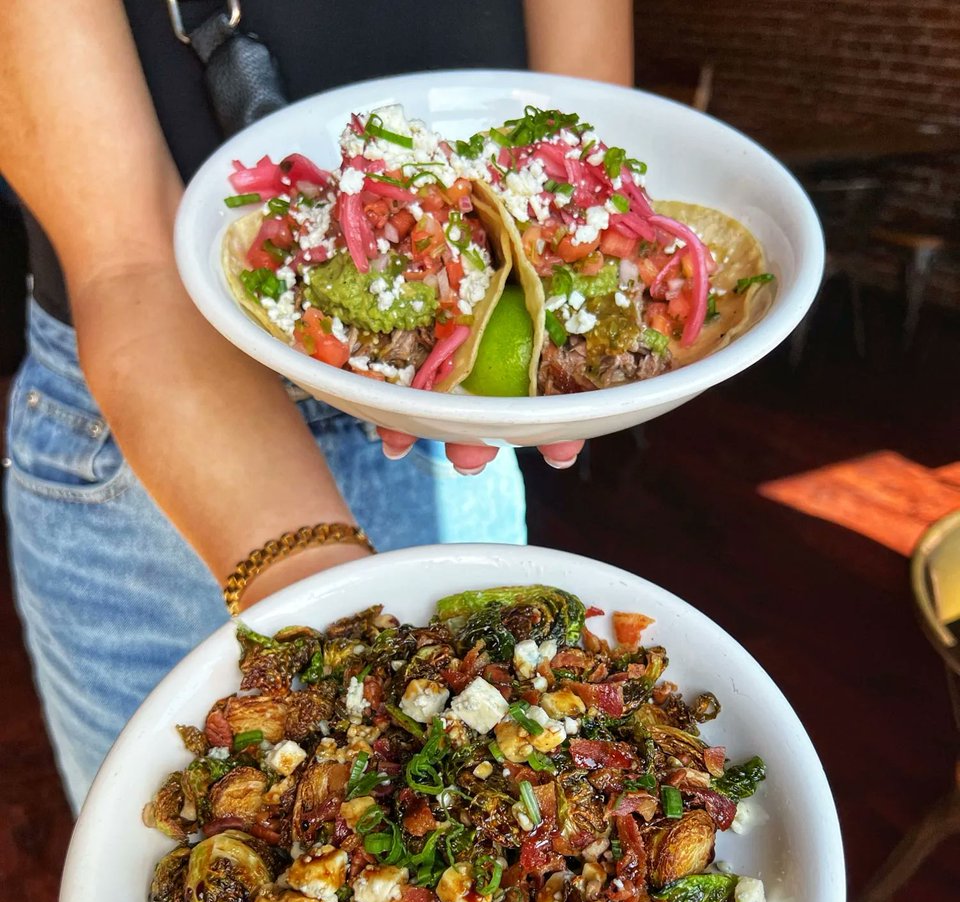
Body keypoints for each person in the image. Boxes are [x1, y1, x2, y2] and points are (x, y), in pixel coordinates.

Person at [0, 0, 634, 812]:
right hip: (142, 452)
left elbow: (586, 142)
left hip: (444, 428)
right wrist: (320, 595)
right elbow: (126, 264)